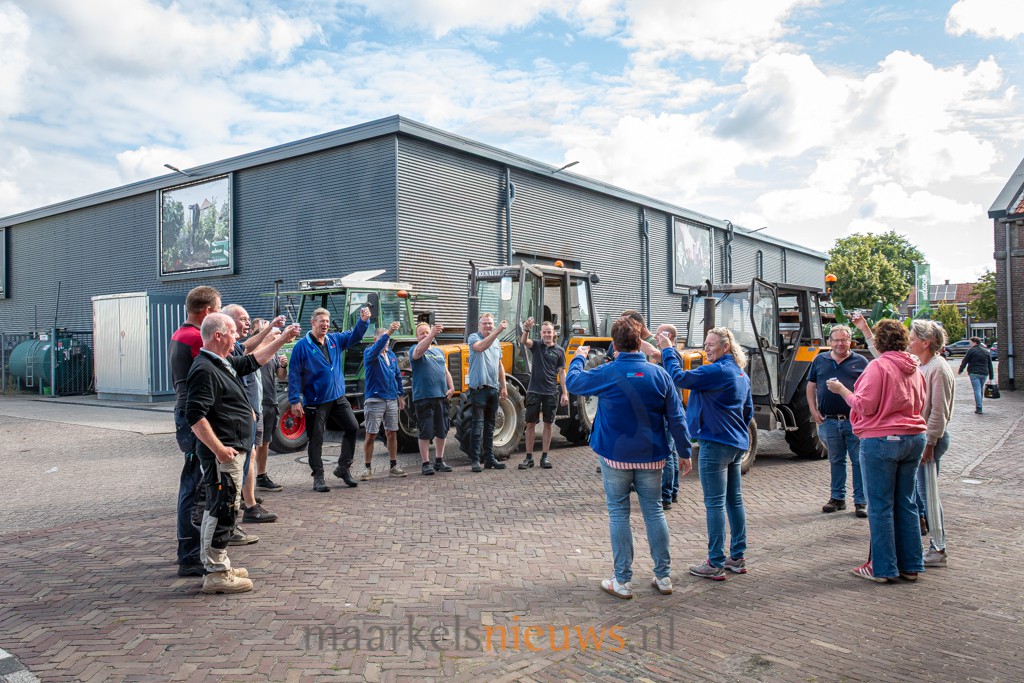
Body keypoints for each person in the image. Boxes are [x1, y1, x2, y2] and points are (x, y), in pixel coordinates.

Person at [566, 317, 691, 599]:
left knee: (619, 513)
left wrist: (577, 358)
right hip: (651, 456)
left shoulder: (607, 372)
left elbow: (573, 382)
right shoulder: (660, 375)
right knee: (654, 511)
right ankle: (663, 576)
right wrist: (684, 452)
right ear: (640, 343)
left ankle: (622, 581)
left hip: (615, 456)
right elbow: (677, 418)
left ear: (614, 344)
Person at [186, 314, 299, 594]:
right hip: (224, 454)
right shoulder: (205, 369)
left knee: (225, 507)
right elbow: (195, 416)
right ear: (218, 335)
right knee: (222, 510)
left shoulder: (220, 363)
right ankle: (216, 572)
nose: (238, 337)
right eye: (234, 332)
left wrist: (282, 339)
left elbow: (252, 361)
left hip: (232, 451)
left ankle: (218, 563)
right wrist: (219, 449)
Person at [826, 319, 926, 583]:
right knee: (907, 503)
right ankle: (911, 565)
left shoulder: (878, 366)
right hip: (914, 437)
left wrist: (841, 390)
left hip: (882, 440)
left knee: (880, 506)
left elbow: (864, 405)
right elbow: (922, 402)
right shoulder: (915, 368)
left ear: (879, 342)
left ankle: (882, 568)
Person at [659, 327, 753, 581]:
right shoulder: (740, 373)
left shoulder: (716, 370)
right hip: (736, 444)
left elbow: (678, 377)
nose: (707, 348)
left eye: (711, 345)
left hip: (715, 443)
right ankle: (737, 556)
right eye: (705, 344)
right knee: (734, 500)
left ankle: (715, 561)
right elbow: (748, 411)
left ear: (725, 347)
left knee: (714, 503)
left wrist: (668, 349)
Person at [288, 306, 370, 492]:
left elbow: (354, 337)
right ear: (313, 323)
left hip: (337, 396)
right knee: (316, 438)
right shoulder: (302, 346)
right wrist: (294, 399)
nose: (325, 324)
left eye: (327, 321)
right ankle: (318, 476)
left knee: (352, 427)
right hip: (316, 400)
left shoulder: (334, 340)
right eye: (321, 321)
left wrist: (363, 321)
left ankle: (343, 467)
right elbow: (294, 374)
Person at [169, 285, 220, 578]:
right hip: (192, 416)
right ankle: (189, 554)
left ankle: (190, 549)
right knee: (194, 485)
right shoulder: (192, 338)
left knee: (193, 482)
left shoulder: (179, 334)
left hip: (185, 412)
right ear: (208, 312)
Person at [223, 305, 285, 528]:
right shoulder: (229, 353)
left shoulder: (237, 349)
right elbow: (251, 355)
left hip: (257, 409)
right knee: (238, 463)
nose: (246, 323)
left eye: (249, 319)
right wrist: (276, 335)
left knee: (252, 455)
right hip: (242, 416)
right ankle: (239, 511)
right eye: (242, 319)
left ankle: (247, 502)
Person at [807, 325, 869, 517]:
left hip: (854, 420)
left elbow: (868, 390)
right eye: (836, 340)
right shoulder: (820, 360)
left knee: (859, 461)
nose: (840, 344)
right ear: (830, 342)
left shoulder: (861, 362)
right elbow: (811, 386)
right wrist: (812, 409)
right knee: (836, 460)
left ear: (850, 341)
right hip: (830, 420)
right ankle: (837, 498)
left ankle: (861, 501)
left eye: (844, 340)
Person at [908, 319, 954, 569]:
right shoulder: (922, 364)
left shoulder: (938, 368)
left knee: (929, 495)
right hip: (924, 438)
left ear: (925, 343)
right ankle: (932, 544)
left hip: (930, 440)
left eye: (913, 337)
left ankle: (939, 549)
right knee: (922, 494)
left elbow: (939, 410)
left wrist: (930, 442)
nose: (909, 341)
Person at [518, 318, 568, 470]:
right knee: (530, 424)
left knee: (548, 424)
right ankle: (528, 458)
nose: (547, 334)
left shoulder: (559, 351)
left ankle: (545, 457)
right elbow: (524, 342)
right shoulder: (537, 345)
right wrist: (526, 329)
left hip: (551, 392)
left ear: (554, 334)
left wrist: (564, 393)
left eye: (549, 332)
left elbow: (561, 372)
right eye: (544, 332)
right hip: (534, 390)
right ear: (541, 333)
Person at [360, 321, 407, 480]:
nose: (386, 342)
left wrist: (400, 394)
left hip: (391, 399)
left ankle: (393, 465)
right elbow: (375, 350)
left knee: (392, 433)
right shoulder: (369, 353)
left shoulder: (392, 356)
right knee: (371, 434)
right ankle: (367, 468)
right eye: (382, 339)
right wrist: (389, 332)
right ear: (375, 340)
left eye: (387, 340)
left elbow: (397, 376)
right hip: (375, 400)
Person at [410, 322, 455, 475]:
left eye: (426, 332)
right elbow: (419, 351)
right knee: (425, 432)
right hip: (423, 398)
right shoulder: (414, 350)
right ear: (417, 336)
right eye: (421, 333)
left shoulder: (439, 352)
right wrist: (431, 335)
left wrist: (451, 387)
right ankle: (425, 463)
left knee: (442, 431)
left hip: (441, 397)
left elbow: (445, 370)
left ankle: (439, 460)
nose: (424, 334)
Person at [466, 313, 509, 472]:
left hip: (493, 388)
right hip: (479, 389)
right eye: (485, 323)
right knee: (477, 425)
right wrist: (497, 331)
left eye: (490, 324)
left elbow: (500, 365)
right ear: (479, 325)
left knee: (491, 426)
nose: (488, 326)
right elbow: (480, 347)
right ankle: (476, 460)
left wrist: (503, 386)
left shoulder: (497, 342)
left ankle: (489, 458)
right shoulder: (473, 338)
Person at [250, 318, 288, 493]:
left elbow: (280, 376)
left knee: (265, 442)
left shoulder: (272, 352)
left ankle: (261, 476)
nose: (266, 330)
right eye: (261, 328)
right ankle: (246, 481)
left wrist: (283, 365)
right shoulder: (251, 351)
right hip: (255, 404)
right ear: (253, 333)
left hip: (270, 402)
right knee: (251, 445)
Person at [653, 323, 682, 511]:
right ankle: (673, 491)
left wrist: (632, 337)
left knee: (668, 453)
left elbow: (651, 352)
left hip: (667, 409)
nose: (656, 337)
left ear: (668, 335)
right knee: (671, 452)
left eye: (659, 334)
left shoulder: (670, 355)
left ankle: (666, 495)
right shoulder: (669, 355)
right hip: (672, 408)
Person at [959, 337, 994, 414]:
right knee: (980, 389)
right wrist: (992, 377)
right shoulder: (986, 351)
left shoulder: (971, 351)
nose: (970, 344)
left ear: (975, 342)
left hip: (974, 373)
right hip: (984, 373)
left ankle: (979, 407)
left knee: (977, 389)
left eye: (970, 342)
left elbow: (965, 361)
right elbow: (990, 364)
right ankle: (979, 404)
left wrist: (961, 370)